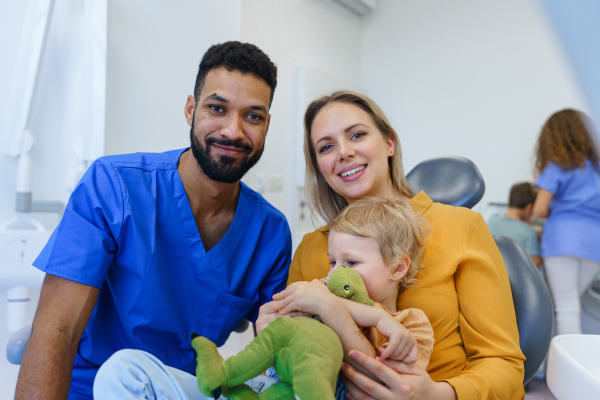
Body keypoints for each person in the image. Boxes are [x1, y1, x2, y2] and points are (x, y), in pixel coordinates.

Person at [15, 41, 292, 400]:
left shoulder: (269, 233)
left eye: (252, 116)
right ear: (191, 110)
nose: (233, 131)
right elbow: (58, 331)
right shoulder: (114, 186)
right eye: (217, 108)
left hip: (180, 390)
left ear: (267, 125)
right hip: (92, 389)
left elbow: (277, 355)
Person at [256, 91, 525, 400]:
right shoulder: (312, 247)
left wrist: (436, 394)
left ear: (388, 143)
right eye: (327, 147)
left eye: (357, 135)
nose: (343, 152)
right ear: (319, 166)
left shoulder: (460, 227)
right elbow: (294, 347)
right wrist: (270, 330)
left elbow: (505, 366)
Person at [272, 196, 435, 400]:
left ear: (398, 267)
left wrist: (330, 308)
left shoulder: (411, 324)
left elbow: (382, 379)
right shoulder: (322, 289)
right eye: (333, 262)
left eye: (351, 262)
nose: (335, 273)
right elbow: (281, 315)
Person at [532, 108, 600, 335]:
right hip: (594, 244)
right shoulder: (597, 169)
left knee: (566, 309)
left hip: (562, 240)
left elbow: (539, 209)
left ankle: (565, 369)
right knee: (572, 305)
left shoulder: (559, 164)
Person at [488, 182, 542, 267]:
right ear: (529, 207)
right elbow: (535, 262)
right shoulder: (529, 232)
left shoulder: (493, 219)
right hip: (515, 274)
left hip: (493, 269)